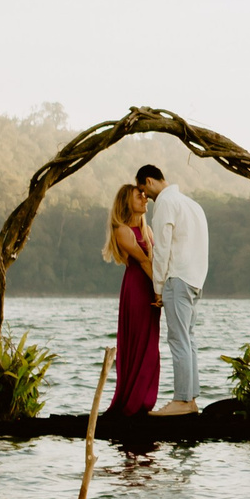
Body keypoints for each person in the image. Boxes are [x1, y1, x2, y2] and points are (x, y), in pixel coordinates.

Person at [141, 163, 209, 416]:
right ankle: (189, 400)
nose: (145, 197)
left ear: (149, 181)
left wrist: (158, 286)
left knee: (178, 340)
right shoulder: (192, 205)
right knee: (188, 339)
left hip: (177, 278)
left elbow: (162, 248)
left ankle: (182, 400)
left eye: (144, 191)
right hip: (194, 278)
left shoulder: (166, 204)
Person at [102, 174, 163, 416]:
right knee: (138, 344)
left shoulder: (147, 229)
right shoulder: (122, 230)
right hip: (138, 289)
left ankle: (146, 401)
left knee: (151, 346)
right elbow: (146, 262)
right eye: (139, 196)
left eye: (144, 195)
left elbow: (157, 262)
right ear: (127, 202)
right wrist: (161, 291)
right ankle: (132, 403)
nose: (145, 198)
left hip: (151, 287)